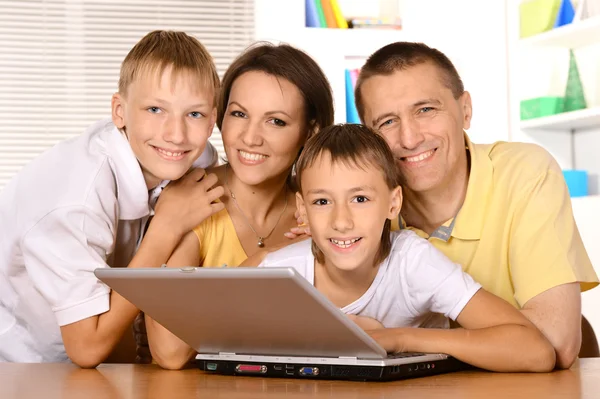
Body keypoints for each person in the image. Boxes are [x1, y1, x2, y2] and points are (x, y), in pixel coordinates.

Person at [349, 41, 598, 369]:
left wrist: (403, 338)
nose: (409, 138)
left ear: (465, 109)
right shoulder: (357, 210)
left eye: (425, 109)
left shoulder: (524, 172)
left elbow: (556, 340)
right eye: (387, 122)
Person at [0, 30, 225, 367]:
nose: (176, 134)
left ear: (212, 120)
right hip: (22, 364)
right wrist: (165, 229)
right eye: (155, 109)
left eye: (194, 114)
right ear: (119, 111)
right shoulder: (76, 202)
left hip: (94, 362)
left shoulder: (188, 159)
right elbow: (86, 349)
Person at [259, 123, 555, 373]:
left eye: (360, 198)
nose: (341, 221)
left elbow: (535, 351)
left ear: (393, 203)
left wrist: (398, 339)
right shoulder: (280, 273)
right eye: (322, 202)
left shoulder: (413, 262)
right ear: (303, 208)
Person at [144, 42, 335, 369]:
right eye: (239, 114)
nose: (250, 137)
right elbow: (169, 351)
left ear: (310, 131)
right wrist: (267, 259)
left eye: (275, 121)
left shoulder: (327, 210)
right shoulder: (192, 200)